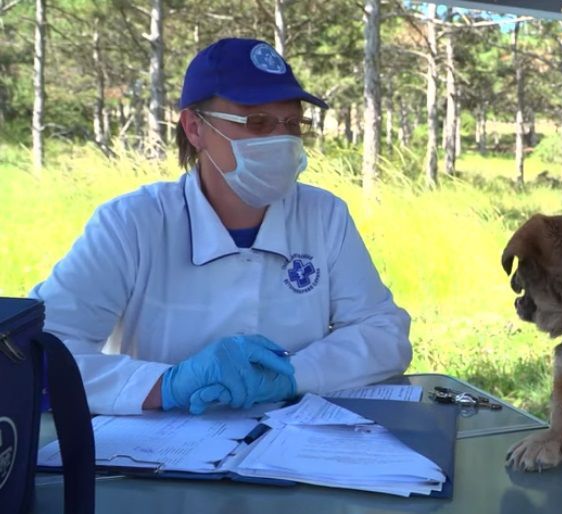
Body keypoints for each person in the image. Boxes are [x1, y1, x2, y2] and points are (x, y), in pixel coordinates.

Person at [30, 38, 412, 416]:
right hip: (156, 458)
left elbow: (383, 332)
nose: (281, 140)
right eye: (257, 122)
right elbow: (38, 351)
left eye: (293, 124)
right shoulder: (131, 224)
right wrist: (169, 385)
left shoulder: (323, 216)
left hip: (292, 451)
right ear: (195, 128)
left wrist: (294, 375)